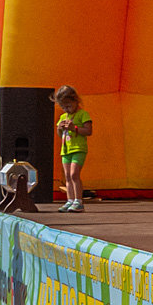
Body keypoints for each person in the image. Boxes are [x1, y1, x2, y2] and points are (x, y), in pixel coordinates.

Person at [53, 85, 92, 213]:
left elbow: (88, 131)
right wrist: (60, 128)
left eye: (68, 106)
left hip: (78, 149)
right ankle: (70, 200)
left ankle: (78, 201)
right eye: (63, 107)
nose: (66, 109)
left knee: (74, 174)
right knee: (67, 176)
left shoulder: (82, 114)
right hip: (66, 150)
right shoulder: (63, 117)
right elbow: (60, 135)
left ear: (76, 100)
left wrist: (74, 128)